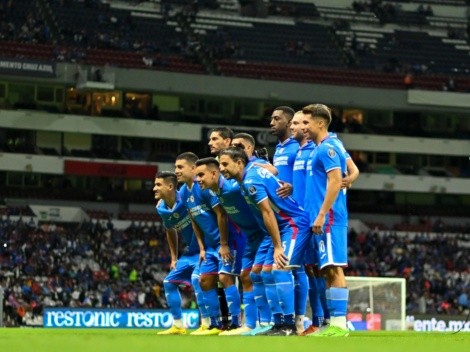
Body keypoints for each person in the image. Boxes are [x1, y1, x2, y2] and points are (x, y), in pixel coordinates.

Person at [219, 146, 312, 336]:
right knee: (262, 273)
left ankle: (289, 326)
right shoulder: (248, 176)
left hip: (292, 224)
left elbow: (267, 212)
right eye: (220, 164)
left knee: (280, 269)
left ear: (239, 163)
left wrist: (278, 247)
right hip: (278, 229)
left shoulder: (251, 180)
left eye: (225, 164)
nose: (222, 168)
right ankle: (277, 323)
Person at [195, 157, 273, 335]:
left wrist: (284, 184)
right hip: (249, 237)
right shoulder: (215, 192)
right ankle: (250, 325)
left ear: (214, 173)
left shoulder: (234, 187)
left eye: (201, 175)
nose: (197, 179)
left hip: (262, 234)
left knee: (263, 275)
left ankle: (274, 321)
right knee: (246, 276)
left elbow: (266, 180)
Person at [175, 152, 245, 335]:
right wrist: (202, 247)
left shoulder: (206, 189)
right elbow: (194, 218)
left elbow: (222, 214)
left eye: (180, 167)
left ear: (193, 169)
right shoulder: (183, 192)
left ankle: (236, 322)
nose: (176, 171)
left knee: (225, 278)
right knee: (204, 280)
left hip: (226, 242)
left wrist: (223, 243)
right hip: (209, 245)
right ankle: (214, 325)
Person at [300, 104, 350, 337]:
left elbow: (335, 181)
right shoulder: (318, 149)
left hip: (328, 218)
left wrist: (321, 214)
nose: (304, 128)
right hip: (320, 218)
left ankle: (339, 325)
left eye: (307, 123)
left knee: (334, 268)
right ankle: (334, 324)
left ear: (320, 123)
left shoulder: (328, 148)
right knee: (326, 270)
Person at [153, 171, 209, 335]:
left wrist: (204, 247)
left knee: (197, 280)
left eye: (158, 185)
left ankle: (206, 323)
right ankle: (178, 325)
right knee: (168, 282)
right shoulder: (162, 208)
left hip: (205, 248)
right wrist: (173, 257)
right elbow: (170, 230)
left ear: (170, 186)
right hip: (190, 252)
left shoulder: (186, 198)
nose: (154, 188)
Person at [270, 106, 309, 333]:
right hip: (281, 216)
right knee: (295, 269)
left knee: (299, 269)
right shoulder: (280, 148)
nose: (272, 123)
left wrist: (293, 188)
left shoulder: (298, 147)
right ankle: (292, 321)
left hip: (297, 217)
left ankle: (300, 320)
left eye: (278, 119)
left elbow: (302, 178)